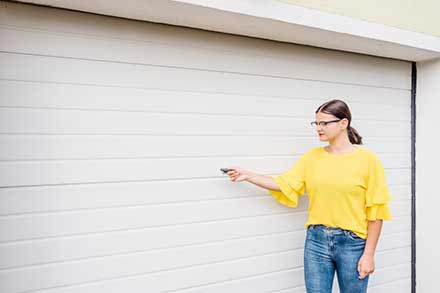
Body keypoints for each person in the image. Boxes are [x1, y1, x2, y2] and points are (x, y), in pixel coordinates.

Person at [224, 99, 392, 293]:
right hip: (316, 241)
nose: (318, 128)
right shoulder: (311, 158)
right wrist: (248, 175)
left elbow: (376, 211)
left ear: (343, 123)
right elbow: (284, 184)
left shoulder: (368, 161)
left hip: (352, 244)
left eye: (324, 123)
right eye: (316, 123)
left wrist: (369, 254)